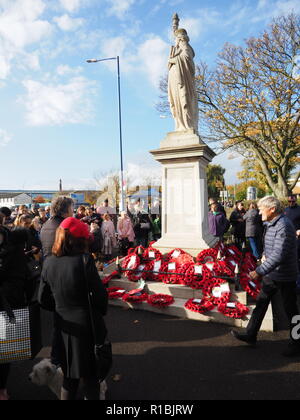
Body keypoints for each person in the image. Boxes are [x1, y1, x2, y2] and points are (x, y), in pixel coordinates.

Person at [38, 217, 108, 400]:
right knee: (91, 379)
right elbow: (100, 296)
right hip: (86, 326)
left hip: (63, 325)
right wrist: (96, 311)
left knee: (69, 377)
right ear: (80, 240)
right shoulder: (84, 260)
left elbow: (42, 299)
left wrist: (61, 307)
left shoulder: (49, 262)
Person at [232, 196, 300, 356]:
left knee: (291, 310)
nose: (258, 211)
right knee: (261, 303)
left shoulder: (283, 226)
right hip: (272, 274)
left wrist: (259, 270)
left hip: (284, 275)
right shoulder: (271, 224)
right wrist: (263, 255)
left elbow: (279, 255)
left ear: (272, 209)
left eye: (262, 208)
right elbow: (269, 248)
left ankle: (297, 343)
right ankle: (250, 334)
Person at [40, 196, 74, 368]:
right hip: (62, 279)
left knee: (58, 322)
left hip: (49, 276)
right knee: (64, 324)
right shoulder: (64, 227)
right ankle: (59, 361)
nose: (73, 212)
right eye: (72, 208)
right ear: (65, 210)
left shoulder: (46, 225)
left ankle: (57, 359)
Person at [0, 210, 28, 400]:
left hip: (5, 305)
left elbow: (20, 279)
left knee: (4, 349)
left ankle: (2, 387)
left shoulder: (13, 245)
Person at [168, 25, 198, 132]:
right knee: (176, 103)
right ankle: (180, 125)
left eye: (176, 38)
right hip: (174, 80)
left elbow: (186, 58)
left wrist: (173, 60)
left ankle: (186, 125)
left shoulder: (184, 45)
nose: (175, 40)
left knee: (183, 101)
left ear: (180, 38)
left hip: (182, 80)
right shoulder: (178, 48)